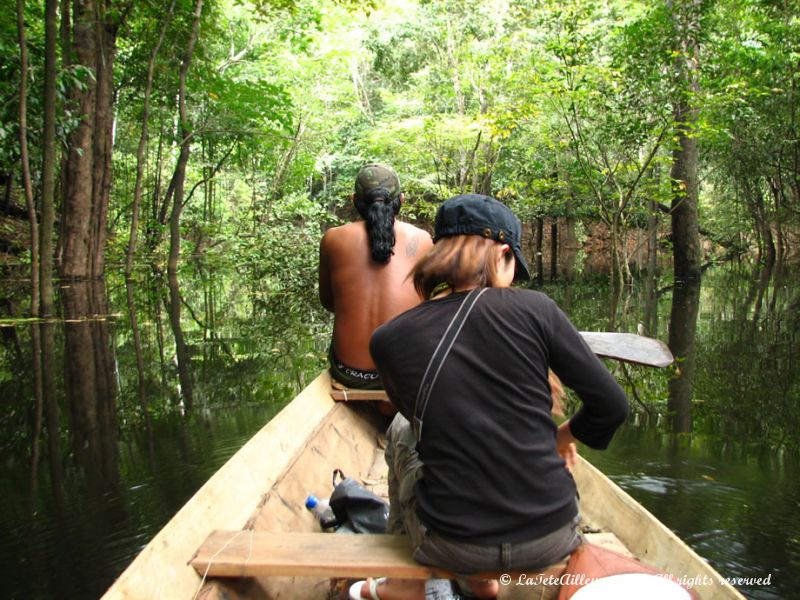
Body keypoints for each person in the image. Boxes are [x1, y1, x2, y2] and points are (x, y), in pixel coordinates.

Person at [350, 194, 629, 600]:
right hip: (553, 537)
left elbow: (425, 424)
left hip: (452, 543)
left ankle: (407, 587)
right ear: (502, 254)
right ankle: (482, 585)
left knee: (399, 428)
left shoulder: (389, 339)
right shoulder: (537, 309)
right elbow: (612, 406)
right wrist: (564, 437)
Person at [319, 163, 433, 389]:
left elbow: (329, 303)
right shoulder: (423, 240)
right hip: (403, 376)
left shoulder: (332, 239)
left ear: (354, 200)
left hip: (350, 374)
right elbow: (425, 308)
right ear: (401, 200)